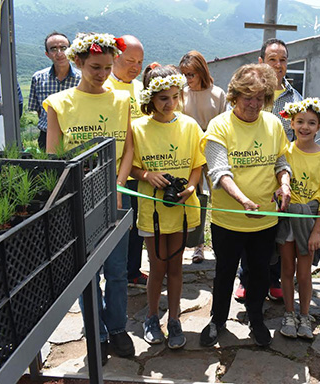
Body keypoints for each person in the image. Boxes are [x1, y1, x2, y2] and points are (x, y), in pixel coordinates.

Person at [43, 32, 135, 365]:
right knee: (86, 273)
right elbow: (54, 155)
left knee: (117, 270)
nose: (102, 74)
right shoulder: (59, 104)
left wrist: (119, 184)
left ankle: (117, 327)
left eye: (108, 68)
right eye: (95, 67)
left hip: (115, 198)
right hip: (78, 199)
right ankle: (95, 331)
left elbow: (128, 148)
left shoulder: (121, 100)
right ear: (79, 62)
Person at [200, 63, 292, 348]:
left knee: (260, 270)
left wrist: (285, 183)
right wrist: (242, 200)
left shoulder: (273, 124)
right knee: (225, 272)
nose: (253, 104)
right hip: (229, 220)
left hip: (265, 217)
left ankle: (256, 317)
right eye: (247, 96)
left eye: (259, 98)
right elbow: (218, 171)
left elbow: (281, 161)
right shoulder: (220, 125)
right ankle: (218, 320)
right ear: (234, 96)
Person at [124, 64, 205, 349]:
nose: (169, 103)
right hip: (153, 210)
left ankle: (175, 319)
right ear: (149, 99)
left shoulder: (190, 126)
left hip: (181, 209)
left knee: (176, 269)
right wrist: (146, 175)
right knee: (156, 267)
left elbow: (197, 164)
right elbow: (131, 167)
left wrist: (192, 186)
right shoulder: (138, 128)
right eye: (162, 98)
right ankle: (151, 316)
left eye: (174, 96)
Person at [235, 38, 303, 302]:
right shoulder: (250, 93)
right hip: (250, 170)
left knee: (277, 228)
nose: (278, 65)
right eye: (272, 59)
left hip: (280, 172)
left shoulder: (294, 98)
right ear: (261, 62)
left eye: (283, 60)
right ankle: (246, 277)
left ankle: (273, 278)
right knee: (247, 225)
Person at [276, 98, 320, 339]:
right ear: (291, 122)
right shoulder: (285, 152)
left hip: (308, 224)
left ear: (319, 126)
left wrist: (316, 231)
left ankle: (304, 315)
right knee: (286, 268)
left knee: (303, 273)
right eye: (300, 121)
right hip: (286, 221)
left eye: (311, 123)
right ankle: (289, 313)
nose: (305, 127)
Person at [104, 35, 148, 288]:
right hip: (113, 170)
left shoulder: (141, 90)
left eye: (140, 62)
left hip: (140, 171)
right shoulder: (104, 87)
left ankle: (133, 270)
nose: (136, 67)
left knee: (137, 226)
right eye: (130, 60)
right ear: (115, 57)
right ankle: (116, 274)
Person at [179, 50, 227, 263]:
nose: (188, 79)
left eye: (191, 74)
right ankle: (197, 245)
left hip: (213, 150)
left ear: (201, 72)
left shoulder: (217, 93)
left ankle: (220, 243)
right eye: (185, 75)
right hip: (189, 151)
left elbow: (225, 122)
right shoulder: (181, 93)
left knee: (218, 196)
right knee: (196, 199)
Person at [28, 32, 81, 150]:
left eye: (63, 48)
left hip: (75, 136)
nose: (59, 53)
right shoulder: (38, 78)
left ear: (71, 50)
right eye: (53, 49)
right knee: (49, 167)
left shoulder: (82, 79)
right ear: (47, 54)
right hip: (46, 136)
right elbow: (38, 110)